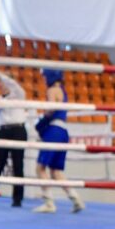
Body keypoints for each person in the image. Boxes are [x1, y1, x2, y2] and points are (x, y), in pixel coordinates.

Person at [33, 69, 84, 214]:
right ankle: (75, 199)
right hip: (63, 131)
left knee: (40, 168)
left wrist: (41, 121)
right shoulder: (63, 90)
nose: (44, 81)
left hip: (54, 129)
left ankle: (49, 203)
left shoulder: (52, 90)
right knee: (56, 171)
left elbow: (51, 109)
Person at [0, 69, 28, 207]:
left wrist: (4, 77)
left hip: (18, 130)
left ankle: (17, 199)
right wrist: (3, 79)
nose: (1, 84)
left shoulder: (19, 95)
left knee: (18, 165)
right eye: (0, 82)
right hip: (3, 132)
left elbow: (15, 87)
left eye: (4, 81)